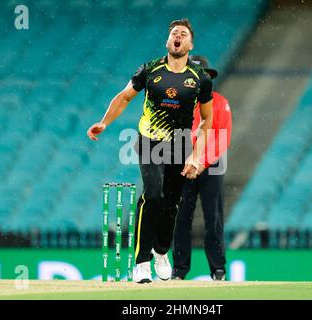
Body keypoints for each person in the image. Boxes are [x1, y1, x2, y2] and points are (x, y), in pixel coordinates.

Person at [87, 19, 213, 283]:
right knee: (153, 195)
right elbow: (124, 97)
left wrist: (196, 154)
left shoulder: (200, 78)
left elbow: (206, 120)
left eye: (183, 34)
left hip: (179, 142)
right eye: (173, 34)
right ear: (168, 42)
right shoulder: (150, 68)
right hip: (150, 140)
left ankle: (161, 252)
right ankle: (142, 261)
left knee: (171, 203)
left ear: (190, 44)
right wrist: (104, 122)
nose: (177, 37)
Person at [172, 56, 232, 281]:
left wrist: (200, 161)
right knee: (180, 217)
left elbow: (222, 138)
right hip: (183, 163)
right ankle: (179, 270)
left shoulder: (219, 102)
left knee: (213, 217)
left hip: (210, 164)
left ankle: (218, 269)